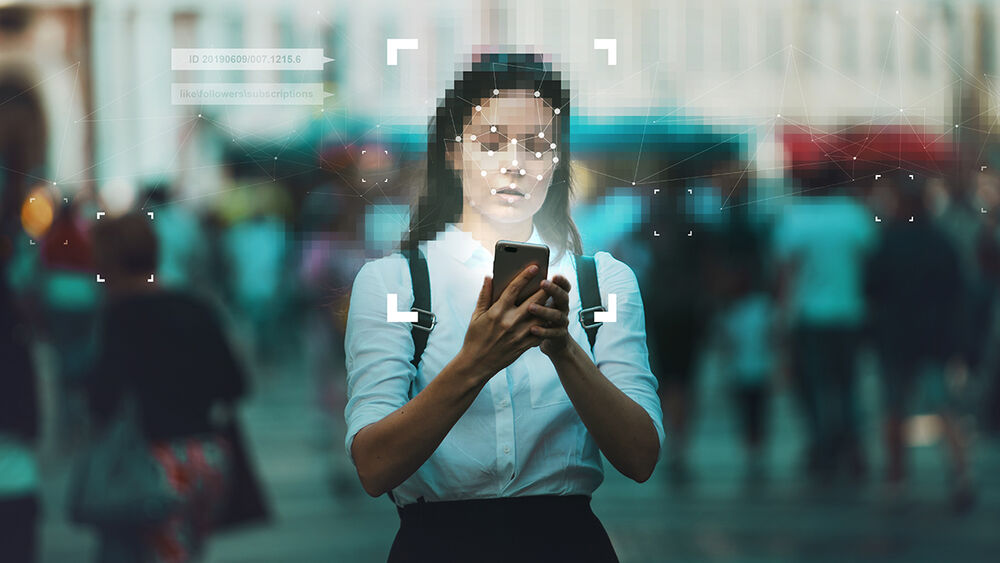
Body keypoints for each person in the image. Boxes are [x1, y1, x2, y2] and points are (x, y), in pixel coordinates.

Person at [344, 53, 663, 563]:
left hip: (567, 544)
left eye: (536, 145)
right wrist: (477, 360)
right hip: (438, 545)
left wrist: (563, 350)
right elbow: (374, 465)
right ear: (453, 152)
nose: (514, 163)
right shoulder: (394, 283)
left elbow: (641, 456)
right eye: (490, 143)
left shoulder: (602, 281)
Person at [86, 212, 247, 562]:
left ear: (107, 261)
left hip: (153, 465)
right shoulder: (197, 306)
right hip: (209, 459)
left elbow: (101, 399)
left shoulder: (118, 316)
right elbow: (235, 384)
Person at [866, 174, 973, 511]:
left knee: (894, 408)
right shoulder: (942, 241)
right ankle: (961, 473)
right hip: (935, 337)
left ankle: (897, 479)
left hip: (895, 337)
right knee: (945, 408)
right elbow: (959, 291)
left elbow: (871, 289)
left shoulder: (886, 241)